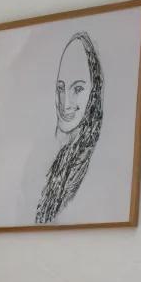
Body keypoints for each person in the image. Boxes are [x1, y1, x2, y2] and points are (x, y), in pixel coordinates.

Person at [35, 30, 103, 225]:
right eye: (60, 88)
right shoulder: (64, 156)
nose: (65, 103)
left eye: (78, 89)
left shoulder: (94, 161)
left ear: (94, 91)